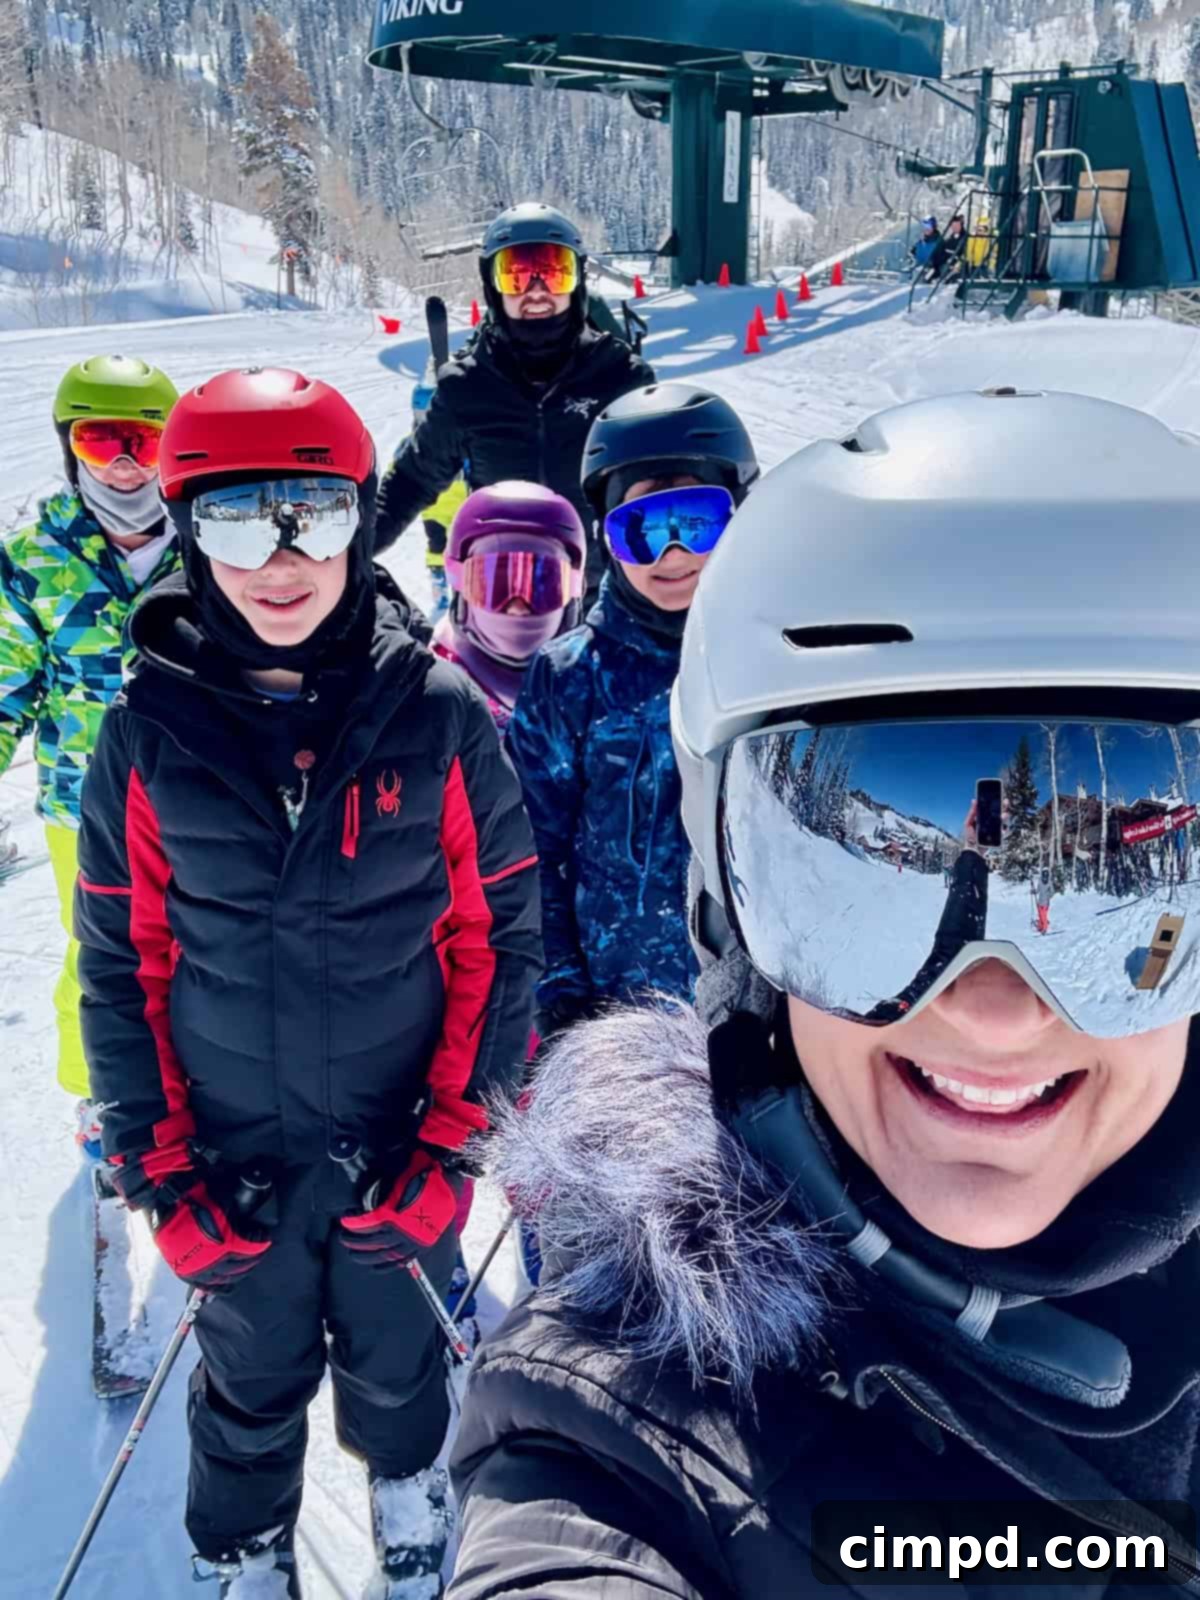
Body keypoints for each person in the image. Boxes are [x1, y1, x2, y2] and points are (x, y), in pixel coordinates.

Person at [448, 390, 1200, 1595]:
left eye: (1121, 890)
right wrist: (559, 1025)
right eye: (867, 867)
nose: (998, 1012)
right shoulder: (626, 1420)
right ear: (732, 913)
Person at [75, 367, 540, 1599]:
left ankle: (411, 1487)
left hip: (398, 1144)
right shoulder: (145, 734)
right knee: (248, 1368)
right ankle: (242, 1548)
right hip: (233, 1161)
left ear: (356, 519)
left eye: (314, 516)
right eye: (236, 519)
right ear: (186, 525)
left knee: (399, 1357)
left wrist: (453, 1142)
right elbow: (122, 966)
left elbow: (498, 940)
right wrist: (157, 1167)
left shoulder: (436, 713)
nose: (280, 561)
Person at [506, 382, 759, 1042]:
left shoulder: (772, 663)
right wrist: (559, 991)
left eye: (696, 523)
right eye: (643, 530)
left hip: (758, 1010)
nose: (673, 555)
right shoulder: (570, 678)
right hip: (616, 1018)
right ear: (607, 539)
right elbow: (533, 849)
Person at [0, 355, 179, 1151]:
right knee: (100, 953)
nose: (128, 464)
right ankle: (100, 1096)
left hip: (196, 789)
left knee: (201, 945)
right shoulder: (36, 555)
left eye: (145, 439)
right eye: (104, 442)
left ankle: (195, 1084)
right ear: (72, 447)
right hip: (86, 803)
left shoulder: (208, 535)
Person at [375, 203, 654, 599]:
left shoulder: (619, 375)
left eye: (555, 272)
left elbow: (661, 482)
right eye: (517, 275)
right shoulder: (467, 387)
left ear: (576, 282)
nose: (537, 290)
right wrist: (349, 554)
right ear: (493, 286)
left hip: (600, 597)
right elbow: (411, 480)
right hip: (500, 596)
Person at [433, 480, 586, 736]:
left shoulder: (601, 690)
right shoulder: (425, 694)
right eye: (495, 586)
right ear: (460, 584)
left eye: (542, 587)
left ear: (573, 589)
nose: (517, 609)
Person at [411, 370, 467, 622]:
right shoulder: (415, 442)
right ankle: (440, 587)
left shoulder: (462, 438)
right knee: (436, 546)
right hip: (434, 506)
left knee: (462, 548)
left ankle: (463, 588)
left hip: (463, 505)